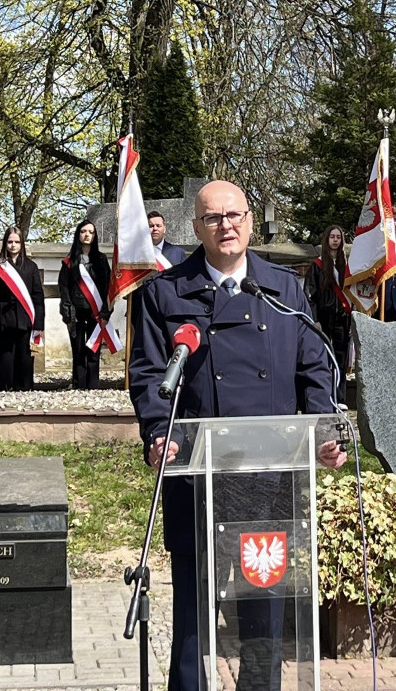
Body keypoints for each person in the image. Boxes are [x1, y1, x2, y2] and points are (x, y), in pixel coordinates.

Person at [129, 180, 346, 691]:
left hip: (267, 485)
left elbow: (313, 367)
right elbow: (149, 376)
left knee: (263, 614)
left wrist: (322, 431)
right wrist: (160, 436)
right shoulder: (165, 292)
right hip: (196, 480)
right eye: (212, 218)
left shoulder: (285, 289)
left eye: (234, 215)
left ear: (249, 220)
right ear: (196, 227)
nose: (225, 226)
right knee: (193, 613)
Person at [0, 226, 44, 391]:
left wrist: (39, 323)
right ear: (5, 244)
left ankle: (24, 388)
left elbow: (37, 296)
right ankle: (4, 388)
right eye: (10, 242)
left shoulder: (31, 267)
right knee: (5, 357)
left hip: (26, 319)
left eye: (17, 242)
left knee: (24, 358)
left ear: (22, 244)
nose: (13, 245)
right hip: (4, 318)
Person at [58, 219, 112, 389]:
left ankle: (93, 386)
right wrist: (67, 313)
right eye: (83, 231)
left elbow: (107, 288)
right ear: (78, 234)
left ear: (95, 236)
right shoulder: (69, 261)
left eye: (91, 232)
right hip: (76, 312)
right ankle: (79, 385)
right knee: (79, 349)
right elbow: (64, 288)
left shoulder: (101, 260)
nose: (87, 235)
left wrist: (105, 313)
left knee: (94, 349)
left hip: (95, 312)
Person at [303, 225, 352, 406]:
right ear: (327, 239)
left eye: (338, 237)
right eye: (332, 236)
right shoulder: (317, 265)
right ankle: (325, 397)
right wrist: (314, 319)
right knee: (324, 357)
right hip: (323, 318)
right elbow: (310, 295)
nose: (335, 240)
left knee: (340, 358)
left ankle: (340, 398)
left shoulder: (347, 265)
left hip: (342, 317)